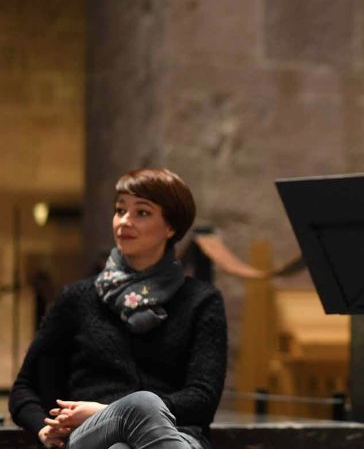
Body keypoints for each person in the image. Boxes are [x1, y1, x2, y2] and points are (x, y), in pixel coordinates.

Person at [9, 168, 227, 449]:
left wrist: (113, 410)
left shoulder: (201, 300)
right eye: (120, 210)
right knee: (141, 406)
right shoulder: (77, 298)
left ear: (171, 227)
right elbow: (24, 388)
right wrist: (44, 430)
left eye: (142, 212)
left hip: (178, 433)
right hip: (90, 434)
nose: (125, 221)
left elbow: (203, 399)